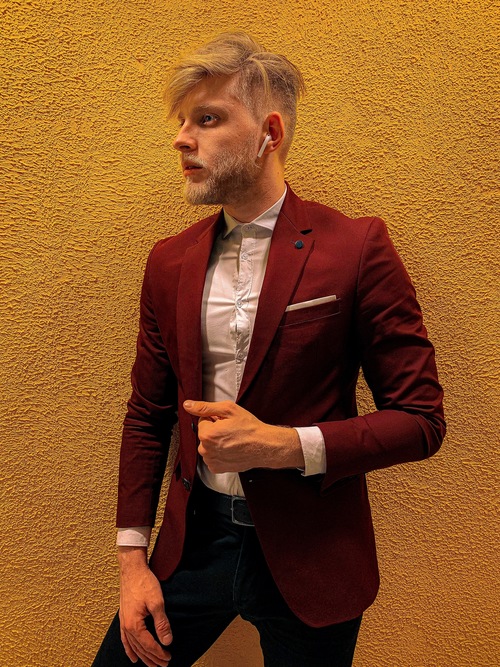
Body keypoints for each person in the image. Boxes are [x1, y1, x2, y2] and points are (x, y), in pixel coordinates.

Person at [92, 31, 445, 667]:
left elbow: (421, 421)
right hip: (191, 548)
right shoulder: (169, 261)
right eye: (182, 121)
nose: (181, 139)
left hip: (314, 555)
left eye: (207, 119)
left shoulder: (356, 247)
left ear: (269, 133)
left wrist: (283, 446)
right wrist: (131, 561)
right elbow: (147, 415)